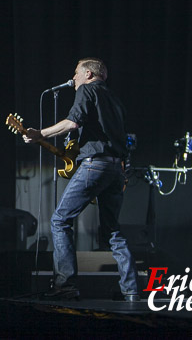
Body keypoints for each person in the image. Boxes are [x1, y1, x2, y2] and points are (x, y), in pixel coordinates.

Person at [23, 58, 139, 301]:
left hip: (95, 165)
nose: (73, 79)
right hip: (116, 168)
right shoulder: (115, 101)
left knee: (60, 220)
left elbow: (73, 121)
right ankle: (130, 289)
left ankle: (66, 285)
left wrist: (39, 134)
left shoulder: (87, 89)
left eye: (76, 74)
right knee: (112, 231)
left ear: (88, 74)